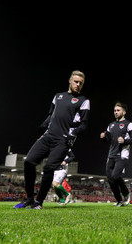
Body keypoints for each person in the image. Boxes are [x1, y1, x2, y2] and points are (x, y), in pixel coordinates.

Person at [14, 70, 90, 209]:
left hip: (63, 140)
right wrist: (43, 125)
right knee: (29, 162)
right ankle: (29, 198)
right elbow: (51, 115)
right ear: (70, 80)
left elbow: (84, 124)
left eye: (81, 83)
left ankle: (39, 202)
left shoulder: (83, 101)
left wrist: (73, 135)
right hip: (48, 136)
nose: (78, 84)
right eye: (76, 81)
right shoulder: (58, 96)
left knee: (49, 168)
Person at [100, 101, 132, 207]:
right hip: (111, 155)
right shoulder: (111, 125)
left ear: (124, 112)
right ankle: (119, 200)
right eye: (114, 110)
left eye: (118, 110)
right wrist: (104, 137)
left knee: (115, 176)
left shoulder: (128, 124)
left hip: (122, 155)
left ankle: (126, 193)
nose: (116, 112)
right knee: (110, 179)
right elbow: (108, 139)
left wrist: (125, 141)